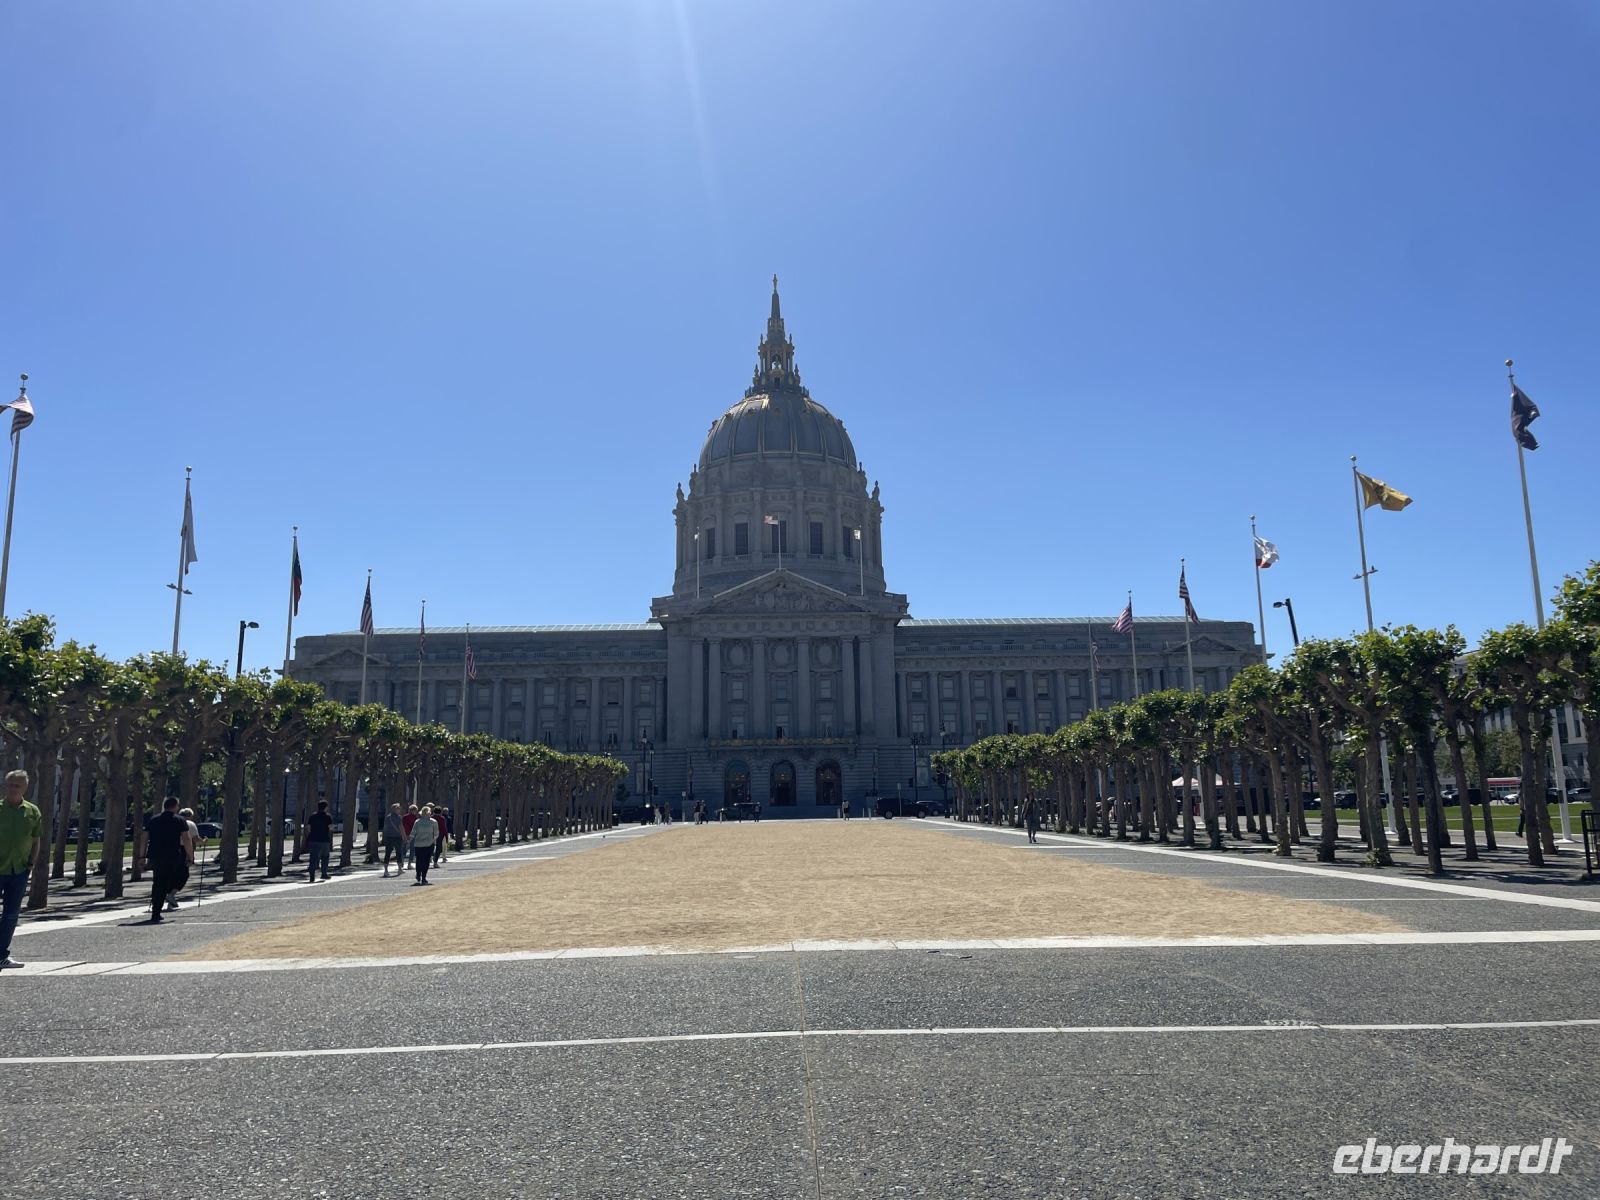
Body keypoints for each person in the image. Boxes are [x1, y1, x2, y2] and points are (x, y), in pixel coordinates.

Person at [0, 769, 41, 969]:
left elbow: (36, 841)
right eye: (10, 784)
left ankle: (2, 955)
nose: (13, 788)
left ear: (25, 787)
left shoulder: (33, 812)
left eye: (17, 785)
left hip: (19, 871)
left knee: (11, 915)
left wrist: (31, 864)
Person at [146, 796, 194, 923]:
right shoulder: (179, 820)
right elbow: (187, 839)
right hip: (172, 855)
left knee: (158, 880)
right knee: (167, 881)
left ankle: (156, 908)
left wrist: (140, 856)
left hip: (155, 854)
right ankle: (159, 907)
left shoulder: (153, 820)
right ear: (175, 806)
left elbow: (144, 837)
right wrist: (190, 855)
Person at [305, 800, 334, 882]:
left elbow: (308, 828)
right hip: (324, 840)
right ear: (325, 807)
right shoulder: (328, 817)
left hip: (313, 839)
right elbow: (331, 828)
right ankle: (324, 874)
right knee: (325, 857)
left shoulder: (312, 816)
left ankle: (312, 876)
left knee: (313, 858)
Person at [409, 804, 439, 885]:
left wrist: (409, 841)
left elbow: (413, 833)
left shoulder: (417, 822)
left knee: (419, 860)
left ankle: (419, 874)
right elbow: (436, 834)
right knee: (426, 861)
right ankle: (423, 877)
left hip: (418, 844)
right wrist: (434, 841)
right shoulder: (433, 822)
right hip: (429, 844)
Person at [382, 804, 406, 877]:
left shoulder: (388, 817)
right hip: (397, 837)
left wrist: (384, 836)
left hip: (388, 837)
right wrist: (404, 837)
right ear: (395, 809)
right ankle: (399, 869)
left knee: (387, 853)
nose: (400, 810)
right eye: (398, 809)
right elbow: (401, 827)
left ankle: (386, 870)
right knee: (398, 853)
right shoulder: (398, 817)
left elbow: (385, 827)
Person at [401, 804, 418, 869]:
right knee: (412, 849)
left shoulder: (404, 817)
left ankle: (401, 861)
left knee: (404, 848)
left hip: (404, 834)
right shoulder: (414, 817)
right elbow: (414, 827)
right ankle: (409, 864)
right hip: (411, 835)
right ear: (414, 810)